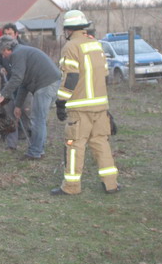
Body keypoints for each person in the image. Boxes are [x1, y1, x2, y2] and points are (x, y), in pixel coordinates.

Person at [51, 10, 120, 195]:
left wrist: (61, 101)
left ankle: (71, 187)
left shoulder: (71, 47)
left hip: (80, 108)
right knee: (101, 143)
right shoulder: (95, 45)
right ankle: (111, 184)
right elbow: (104, 76)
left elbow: (71, 77)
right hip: (100, 106)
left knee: (74, 146)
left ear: (68, 29)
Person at [0, 35, 61, 160]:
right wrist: (18, 106)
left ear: (8, 48)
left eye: (3, 52)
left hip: (46, 84)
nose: (3, 56)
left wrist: (2, 95)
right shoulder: (22, 52)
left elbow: (17, 79)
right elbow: (23, 84)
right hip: (49, 83)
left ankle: (35, 153)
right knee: (39, 119)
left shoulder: (18, 54)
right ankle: (38, 149)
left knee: (37, 119)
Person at [0, 23, 32, 150]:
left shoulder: (24, 48)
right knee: (8, 112)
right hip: (7, 84)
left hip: (23, 85)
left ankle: (25, 134)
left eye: (10, 34)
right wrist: (0, 67)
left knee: (25, 110)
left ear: (16, 34)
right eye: (5, 34)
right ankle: (10, 142)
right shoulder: (0, 49)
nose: (8, 36)